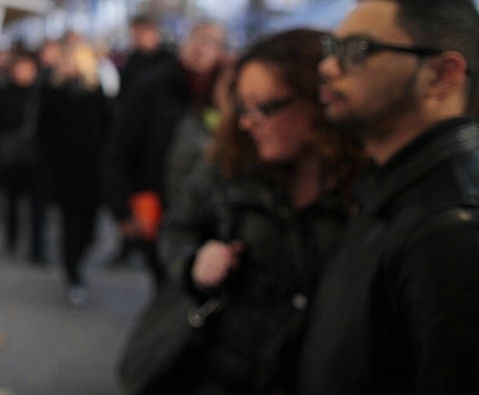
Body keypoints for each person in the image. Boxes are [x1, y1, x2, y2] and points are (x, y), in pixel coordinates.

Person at [136, 28, 365, 394]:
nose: (247, 122)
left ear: (317, 98)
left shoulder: (369, 187)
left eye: (264, 108)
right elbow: (179, 227)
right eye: (243, 108)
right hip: (223, 371)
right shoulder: (231, 161)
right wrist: (195, 263)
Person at [299, 0, 479, 393]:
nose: (328, 67)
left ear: (442, 76)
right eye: (332, 49)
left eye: (359, 51)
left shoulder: (454, 229)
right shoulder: (392, 188)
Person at [103, 21, 228, 280]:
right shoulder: (151, 87)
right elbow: (121, 148)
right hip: (161, 209)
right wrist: (123, 208)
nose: (202, 49)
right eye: (199, 39)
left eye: (213, 43)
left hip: (213, 216)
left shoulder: (226, 92)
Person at [36, 38, 112, 305]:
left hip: (91, 173)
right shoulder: (52, 90)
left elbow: (109, 129)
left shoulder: (95, 92)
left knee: (89, 228)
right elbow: (42, 132)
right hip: (63, 172)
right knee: (70, 226)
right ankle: (74, 275)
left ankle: (78, 263)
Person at [0, 49, 47, 263]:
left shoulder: (43, 95)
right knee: (12, 202)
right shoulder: (2, 94)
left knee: (37, 206)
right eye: (19, 69)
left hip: (37, 158)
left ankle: (37, 248)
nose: (23, 73)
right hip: (11, 159)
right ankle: (12, 238)